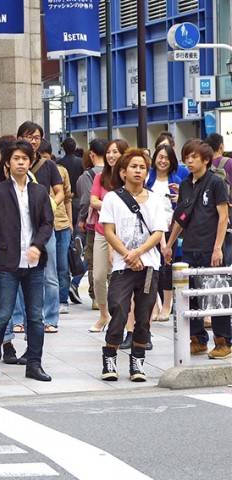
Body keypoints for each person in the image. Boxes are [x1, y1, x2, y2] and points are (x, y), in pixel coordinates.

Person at [0, 140, 54, 382]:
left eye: (25, 159)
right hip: (6, 263)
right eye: (16, 159)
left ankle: (34, 363)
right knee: (3, 314)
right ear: (7, 164)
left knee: (35, 317)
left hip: (34, 265)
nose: (21, 162)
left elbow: (47, 223)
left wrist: (37, 246)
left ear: (30, 162)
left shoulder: (39, 191)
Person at [100, 149, 167, 381]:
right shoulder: (111, 198)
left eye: (142, 168)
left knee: (143, 313)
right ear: (123, 171)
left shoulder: (155, 199)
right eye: (134, 167)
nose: (138, 171)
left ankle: (137, 362)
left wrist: (138, 252)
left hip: (149, 266)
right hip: (122, 265)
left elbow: (159, 232)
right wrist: (128, 254)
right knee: (118, 307)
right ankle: (109, 356)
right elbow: (109, 231)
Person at [163, 139, 232, 359]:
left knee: (216, 294)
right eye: (187, 157)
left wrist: (218, 247)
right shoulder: (185, 185)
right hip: (190, 247)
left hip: (212, 248)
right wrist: (169, 245)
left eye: (194, 157)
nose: (189, 161)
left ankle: (223, 341)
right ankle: (197, 339)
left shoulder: (216, 182)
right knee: (189, 296)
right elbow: (181, 218)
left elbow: (223, 217)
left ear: (206, 159)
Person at [9, 122, 63, 341]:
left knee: (50, 274)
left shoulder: (48, 166)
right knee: (18, 272)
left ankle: (50, 318)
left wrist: (49, 207)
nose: (33, 140)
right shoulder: (12, 163)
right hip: (17, 228)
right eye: (29, 136)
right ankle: (19, 319)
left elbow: (60, 192)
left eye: (37, 137)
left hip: (43, 227)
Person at [88, 139, 128, 332]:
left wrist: (107, 205)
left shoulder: (127, 177)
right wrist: (113, 206)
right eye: (109, 152)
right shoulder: (100, 177)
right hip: (102, 232)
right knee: (98, 276)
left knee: (119, 277)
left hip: (124, 234)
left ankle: (120, 317)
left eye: (115, 152)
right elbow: (93, 200)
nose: (111, 156)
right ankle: (104, 314)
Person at [146, 145, 182, 322]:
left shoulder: (176, 181)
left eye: (167, 158)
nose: (163, 161)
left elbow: (184, 209)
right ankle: (154, 306)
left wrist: (179, 198)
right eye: (160, 157)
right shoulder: (147, 179)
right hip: (149, 229)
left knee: (167, 267)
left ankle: (167, 306)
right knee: (151, 268)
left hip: (170, 229)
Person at [40, 139, 73, 317]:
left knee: (62, 265)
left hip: (61, 222)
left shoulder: (59, 170)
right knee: (46, 269)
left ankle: (62, 299)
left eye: (47, 157)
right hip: (45, 224)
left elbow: (67, 196)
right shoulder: (31, 170)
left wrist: (71, 221)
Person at [75, 138, 108, 308]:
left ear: (92, 154)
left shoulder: (88, 175)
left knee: (93, 260)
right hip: (114, 223)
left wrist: (81, 218)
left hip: (95, 224)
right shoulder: (115, 172)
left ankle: (96, 297)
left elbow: (87, 200)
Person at [57, 137, 83, 224]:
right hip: (78, 197)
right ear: (75, 147)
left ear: (64, 149)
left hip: (64, 199)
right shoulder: (81, 162)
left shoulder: (59, 163)